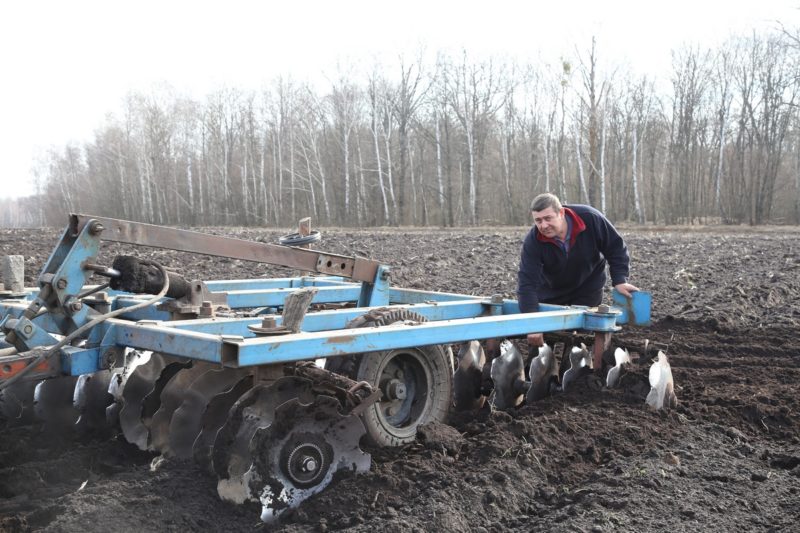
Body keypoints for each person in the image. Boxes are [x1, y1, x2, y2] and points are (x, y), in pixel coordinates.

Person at [518, 193, 638, 347]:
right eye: (538, 220)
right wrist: (532, 324)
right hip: (552, 291)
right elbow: (527, 282)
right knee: (546, 339)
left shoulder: (590, 218)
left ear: (561, 213)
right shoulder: (533, 241)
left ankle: (575, 357)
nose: (543, 226)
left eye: (548, 218)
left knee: (581, 339)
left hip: (588, 286)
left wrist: (620, 280)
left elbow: (615, 247)